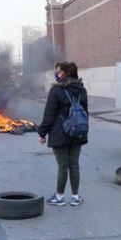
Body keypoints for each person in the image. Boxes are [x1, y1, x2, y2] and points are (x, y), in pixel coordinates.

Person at [38, 62, 88, 206]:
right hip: (78, 132)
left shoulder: (56, 91)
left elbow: (49, 115)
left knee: (63, 166)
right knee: (74, 164)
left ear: (65, 73)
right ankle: (75, 196)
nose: (56, 74)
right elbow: (86, 113)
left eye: (58, 72)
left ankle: (59, 197)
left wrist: (42, 133)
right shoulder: (82, 90)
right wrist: (83, 130)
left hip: (60, 133)